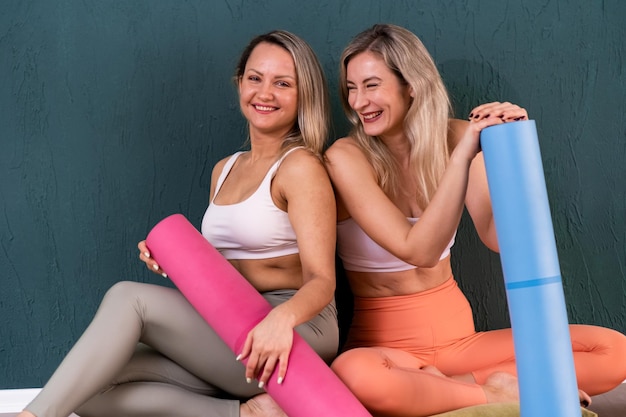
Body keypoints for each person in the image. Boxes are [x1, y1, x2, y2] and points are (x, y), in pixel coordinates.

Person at [19, 30, 338, 417]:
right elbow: (225, 272)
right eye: (255, 78)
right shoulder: (225, 169)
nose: (265, 93)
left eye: (282, 83)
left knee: (128, 297)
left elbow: (322, 280)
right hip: (231, 320)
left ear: (303, 95)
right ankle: (246, 414)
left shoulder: (300, 167)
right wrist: (176, 263)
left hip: (293, 327)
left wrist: (279, 322)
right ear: (240, 82)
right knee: (89, 385)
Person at [324, 23, 626, 417]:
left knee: (614, 350)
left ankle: (463, 386)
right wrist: (462, 158)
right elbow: (419, 251)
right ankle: (501, 393)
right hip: (389, 350)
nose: (359, 101)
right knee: (355, 375)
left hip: (462, 344)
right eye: (352, 87)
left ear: (411, 85)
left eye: (371, 85)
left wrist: (510, 151)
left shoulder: (457, 137)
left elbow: (502, 238)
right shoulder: (346, 157)